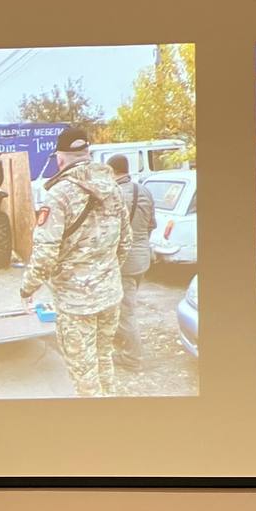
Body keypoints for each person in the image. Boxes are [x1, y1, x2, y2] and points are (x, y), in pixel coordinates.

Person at [21, 126, 130, 397]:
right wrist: (106, 273)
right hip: (110, 294)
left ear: (60, 159)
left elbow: (45, 254)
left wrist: (27, 288)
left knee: (84, 373)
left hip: (76, 303)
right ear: (87, 154)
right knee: (104, 358)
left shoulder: (59, 195)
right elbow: (125, 241)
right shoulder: (113, 188)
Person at [109, 154, 157, 370]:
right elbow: (151, 225)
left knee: (125, 311)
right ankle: (123, 344)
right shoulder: (144, 191)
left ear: (111, 171)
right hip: (142, 259)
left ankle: (132, 358)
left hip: (124, 263)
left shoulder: (114, 194)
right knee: (124, 305)